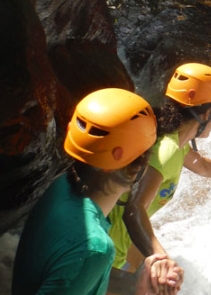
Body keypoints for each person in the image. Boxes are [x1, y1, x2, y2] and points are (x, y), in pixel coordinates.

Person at [11, 88, 184, 295]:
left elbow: (69, 272)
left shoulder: (61, 187)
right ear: (136, 165)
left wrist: (133, 284)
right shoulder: (95, 248)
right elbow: (81, 261)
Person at [108, 63, 211, 272]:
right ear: (207, 113)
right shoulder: (166, 151)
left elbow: (202, 165)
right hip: (111, 245)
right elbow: (134, 209)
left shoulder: (173, 138)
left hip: (122, 237)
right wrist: (163, 259)